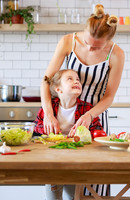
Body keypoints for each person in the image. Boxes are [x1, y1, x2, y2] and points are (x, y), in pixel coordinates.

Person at [40, 4, 125, 197]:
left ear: (109, 42)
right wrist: (49, 114)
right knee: (61, 174)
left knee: (95, 183)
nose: (89, 47)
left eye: (96, 46)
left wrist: (89, 115)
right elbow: (46, 81)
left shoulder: (117, 54)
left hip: (94, 119)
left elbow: (109, 96)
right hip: (65, 115)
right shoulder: (67, 42)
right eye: (87, 42)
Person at [34, 69, 103, 200]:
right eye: (70, 79)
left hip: (77, 161)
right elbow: (36, 132)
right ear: (58, 89)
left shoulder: (87, 109)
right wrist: (49, 134)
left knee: (72, 196)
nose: (76, 81)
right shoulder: (48, 110)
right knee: (53, 195)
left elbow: (98, 132)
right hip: (52, 161)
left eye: (77, 79)